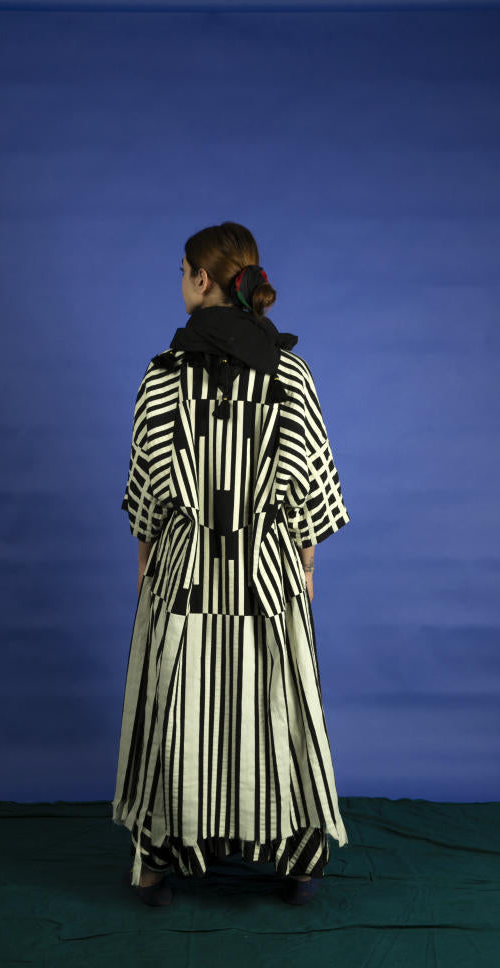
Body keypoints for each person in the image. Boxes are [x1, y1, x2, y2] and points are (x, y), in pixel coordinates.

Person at [112, 221, 350, 906]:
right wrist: (304, 564)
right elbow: (309, 485)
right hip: (265, 570)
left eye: (182, 271)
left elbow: (150, 490)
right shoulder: (291, 374)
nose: (180, 282)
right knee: (279, 707)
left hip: (184, 572)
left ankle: (156, 862)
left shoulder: (162, 377)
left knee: (176, 704)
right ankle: (297, 862)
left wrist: (146, 558)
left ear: (201, 278)